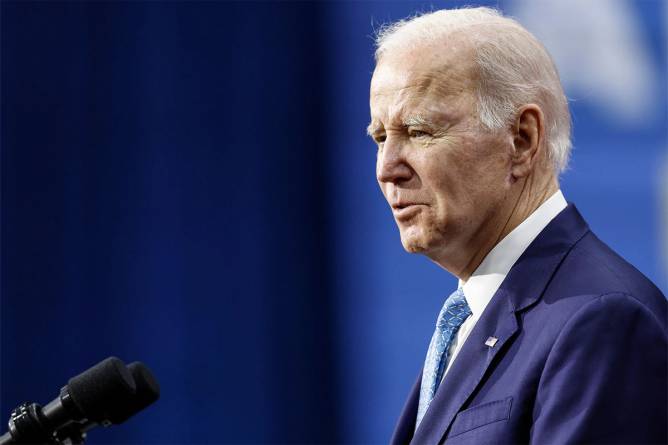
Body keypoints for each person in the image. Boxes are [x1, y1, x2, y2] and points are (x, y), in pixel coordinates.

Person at [367, 7, 667, 444]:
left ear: (522, 139)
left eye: (419, 131)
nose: (387, 168)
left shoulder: (603, 321)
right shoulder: (473, 318)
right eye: (380, 137)